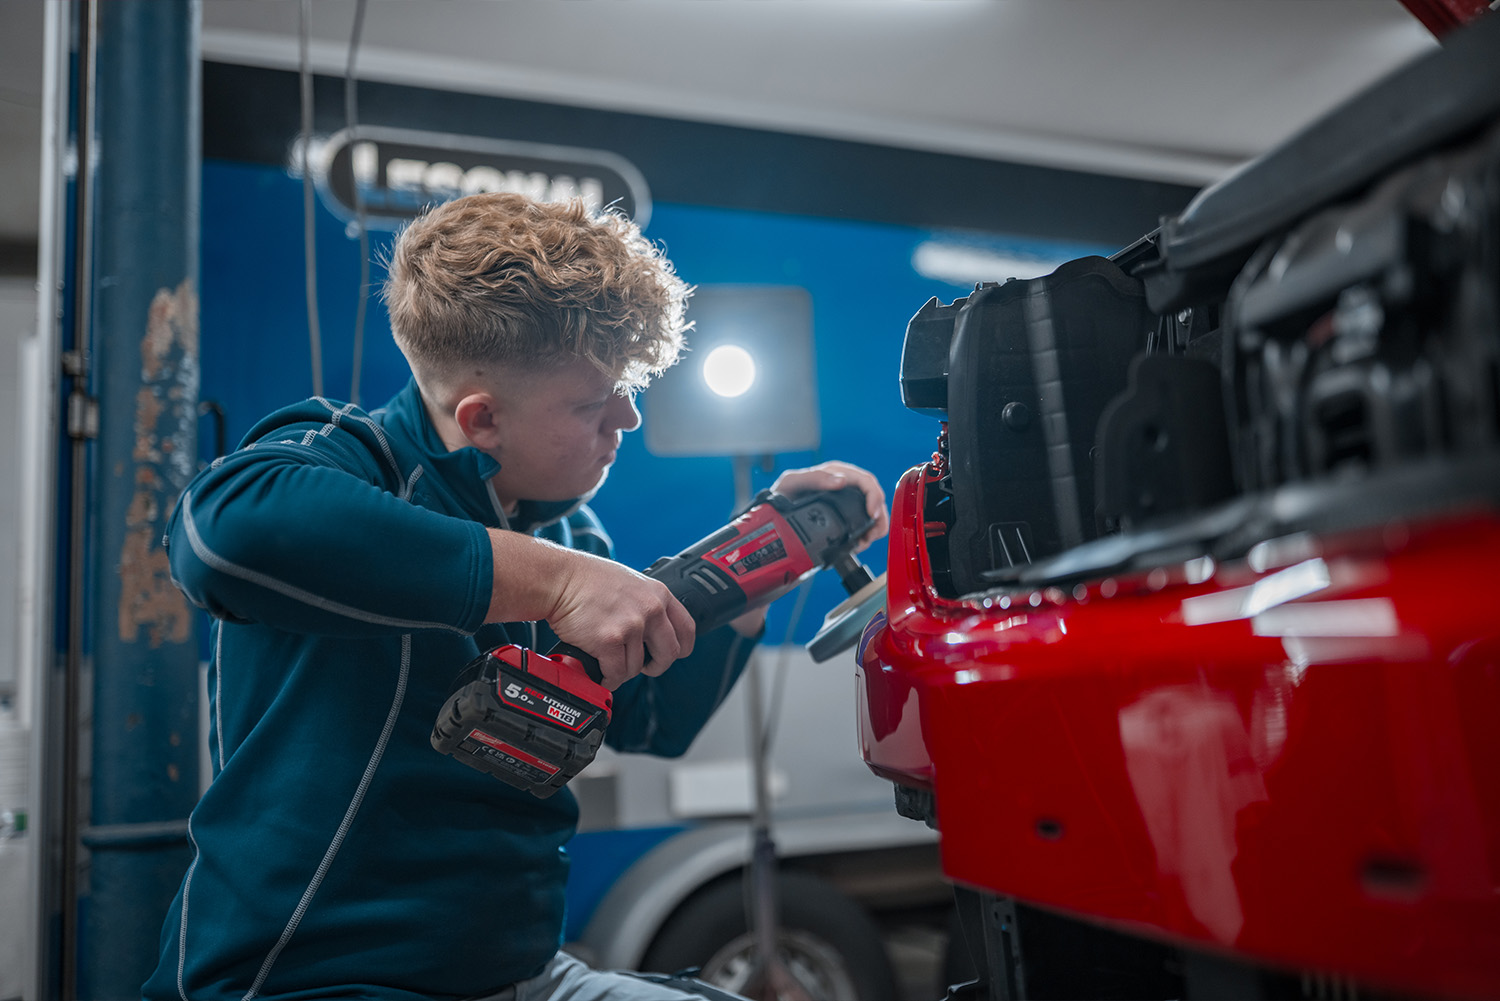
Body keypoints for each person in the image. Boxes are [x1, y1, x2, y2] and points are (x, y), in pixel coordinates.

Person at [144, 191, 887, 1001]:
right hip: (314, 981)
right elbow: (223, 536)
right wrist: (557, 583)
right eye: (592, 401)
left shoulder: (563, 529)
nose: (628, 418)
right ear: (483, 417)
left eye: (626, 389)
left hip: (518, 973)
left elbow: (655, 716)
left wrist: (767, 553)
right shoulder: (355, 460)